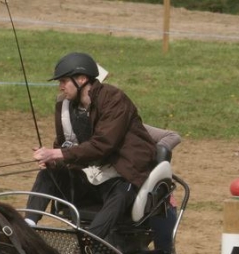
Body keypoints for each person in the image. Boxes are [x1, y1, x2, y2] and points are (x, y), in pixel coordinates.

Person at [24, 52, 157, 243]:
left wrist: (56, 153)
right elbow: (63, 145)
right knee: (48, 174)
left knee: (121, 193)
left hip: (121, 175)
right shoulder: (65, 105)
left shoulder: (114, 99)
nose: (60, 86)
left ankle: (89, 243)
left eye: (63, 81)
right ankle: (27, 226)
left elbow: (102, 145)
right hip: (87, 175)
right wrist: (52, 160)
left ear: (82, 79)